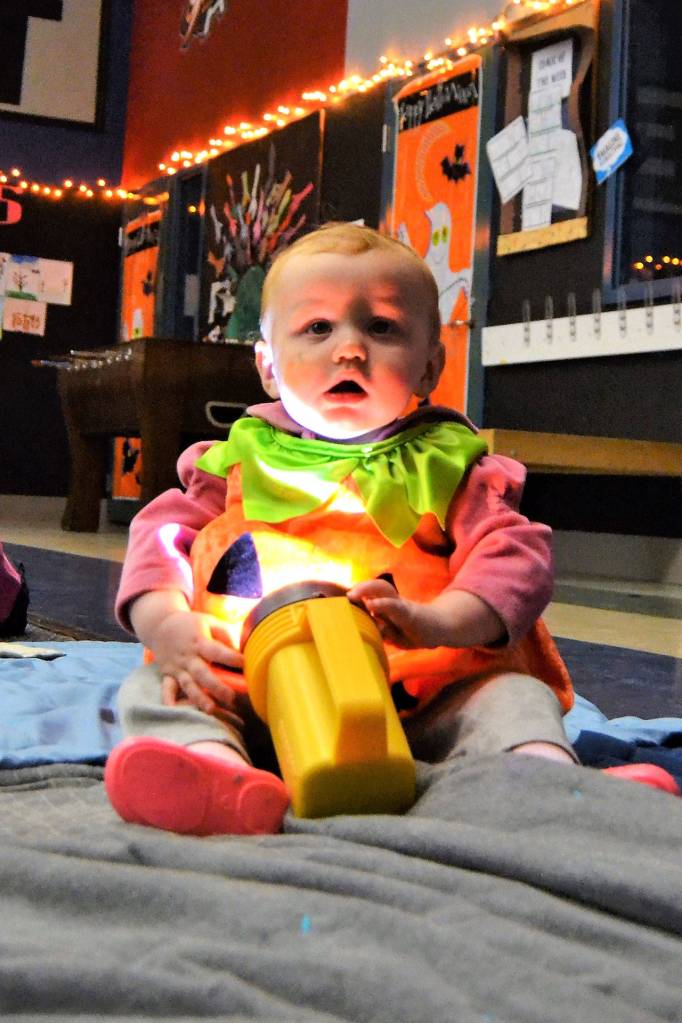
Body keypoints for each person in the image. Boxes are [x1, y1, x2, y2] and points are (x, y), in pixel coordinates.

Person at [105, 223, 676, 837]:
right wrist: (167, 624)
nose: (350, 349)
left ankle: (545, 783)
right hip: (256, 687)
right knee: (159, 686)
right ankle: (210, 771)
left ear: (430, 364)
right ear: (268, 367)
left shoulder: (454, 468)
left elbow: (516, 557)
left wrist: (442, 620)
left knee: (513, 697)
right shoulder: (230, 466)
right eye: (318, 328)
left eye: (381, 327)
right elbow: (161, 540)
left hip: (425, 692)